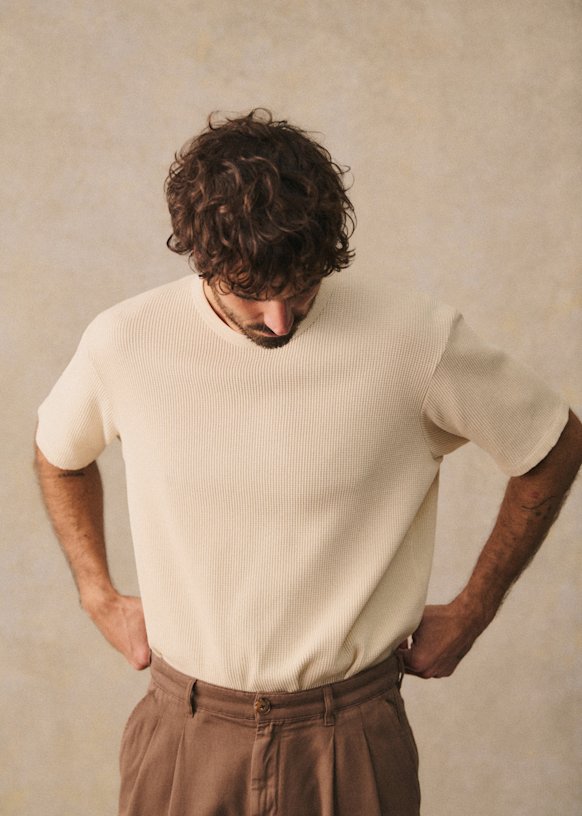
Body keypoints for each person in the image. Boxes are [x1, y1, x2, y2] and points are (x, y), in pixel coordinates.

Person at [35, 108, 582, 816]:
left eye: (301, 288)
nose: (280, 320)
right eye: (248, 293)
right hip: (185, 731)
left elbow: (552, 443)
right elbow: (59, 455)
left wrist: (474, 609)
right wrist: (96, 592)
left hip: (351, 737)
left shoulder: (417, 339)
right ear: (199, 259)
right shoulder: (124, 341)